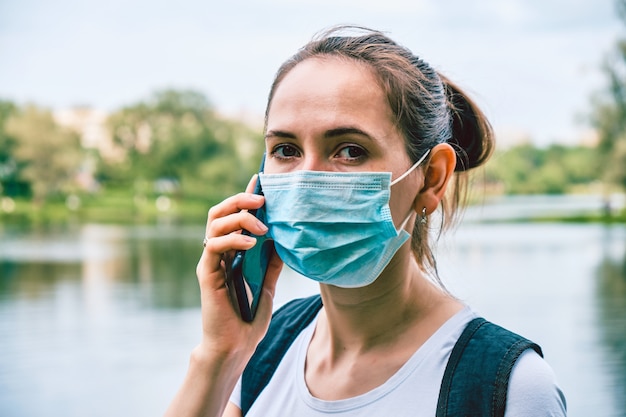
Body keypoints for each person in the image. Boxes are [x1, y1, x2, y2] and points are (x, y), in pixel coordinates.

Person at [164, 25, 567, 417]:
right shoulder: (266, 349)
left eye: (350, 151)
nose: (308, 179)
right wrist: (219, 354)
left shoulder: (506, 388)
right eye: (285, 149)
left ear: (431, 178)